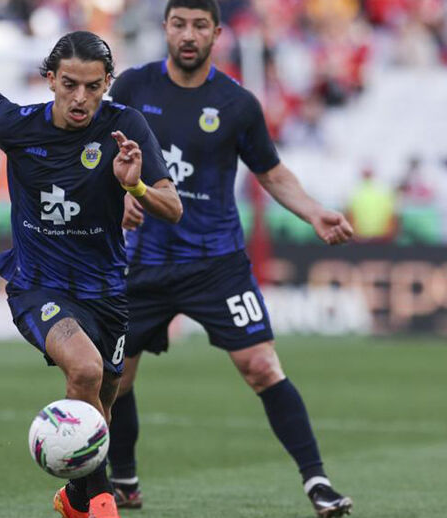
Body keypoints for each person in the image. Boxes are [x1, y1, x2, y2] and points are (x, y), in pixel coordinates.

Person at [106, 1, 355, 517]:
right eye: (179, 24)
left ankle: (318, 483)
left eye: (200, 26)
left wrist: (313, 212)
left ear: (217, 33)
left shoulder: (237, 103)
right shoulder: (132, 88)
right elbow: (99, 154)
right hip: (140, 262)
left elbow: (271, 171)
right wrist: (118, 195)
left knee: (262, 366)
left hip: (215, 263)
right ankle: (124, 479)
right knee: (116, 378)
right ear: (166, 29)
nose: (189, 35)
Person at [0, 31, 182, 518]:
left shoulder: (124, 128)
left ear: (108, 82)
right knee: (85, 371)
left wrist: (137, 186)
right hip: (37, 285)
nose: (81, 98)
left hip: (106, 292)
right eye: (69, 84)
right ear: (50, 79)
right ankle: (101, 505)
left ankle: (72, 499)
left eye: (93, 86)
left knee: (103, 403)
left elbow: (171, 208)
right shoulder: (17, 122)